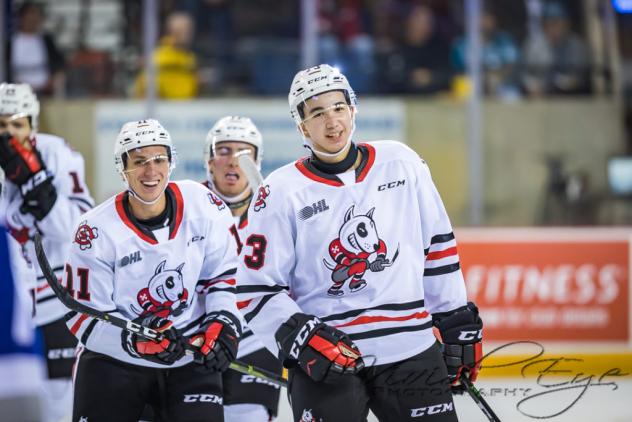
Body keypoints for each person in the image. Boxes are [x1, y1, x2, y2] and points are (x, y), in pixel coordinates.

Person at [235, 64, 483, 421]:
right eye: (317, 113)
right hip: (328, 358)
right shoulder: (280, 191)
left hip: (410, 349)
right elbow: (256, 290)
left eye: (338, 108)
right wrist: (299, 335)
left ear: (353, 109)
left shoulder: (402, 163)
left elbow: (438, 248)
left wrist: (454, 316)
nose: (331, 121)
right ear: (302, 126)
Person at [63, 118, 242, 421]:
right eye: (139, 161)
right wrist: (134, 341)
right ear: (122, 168)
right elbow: (83, 318)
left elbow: (225, 278)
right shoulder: (94, 230)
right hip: (114, 361)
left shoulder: (204, 205)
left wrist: (223, 323)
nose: (150, 171)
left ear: (171, 162)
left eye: (159, 159)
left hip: (187, 351)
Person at [0, 82, 93, 422]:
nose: (8, 133)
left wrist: (38, 185)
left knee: (58, 406)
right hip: (7, 304)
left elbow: (77, 232)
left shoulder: (56, 154)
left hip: (53, 303)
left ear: (33, 125)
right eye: (0, 124)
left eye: (17, 123)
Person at [203, 116, 283, 421]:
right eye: (224, 151)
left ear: (256, 161)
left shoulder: (276, 210)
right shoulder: (188, 205)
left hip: (254, 341)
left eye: (243, 152)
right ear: (209, 161)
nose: (233, 160)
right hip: (201, 338)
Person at [134, 12, 199, 99]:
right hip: (165, 108)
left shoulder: (190, 56)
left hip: (188, 106)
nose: (186, 34)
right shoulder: (160, 56)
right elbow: (145, 88)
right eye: (180, 31)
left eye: (188, 30)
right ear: (170, 31)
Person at [8, 2, 66, 97]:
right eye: (30, 15)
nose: (33, 20)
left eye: (36, 16)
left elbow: (60, 64)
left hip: (44, 92)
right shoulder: (11, 42)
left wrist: (53, 80)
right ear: (22, 18)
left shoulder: (46, 41)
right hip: (17, 93)